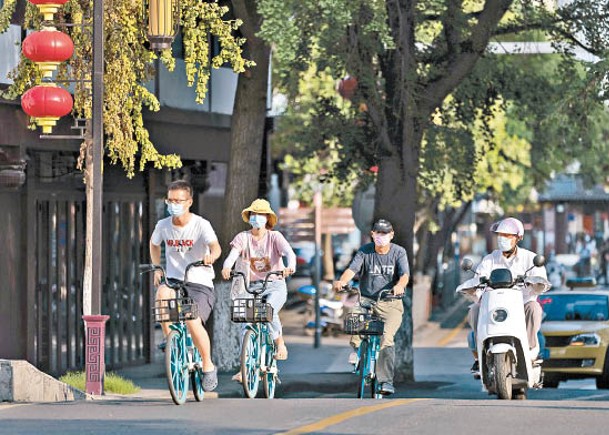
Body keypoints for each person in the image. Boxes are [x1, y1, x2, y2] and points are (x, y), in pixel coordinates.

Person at [150, 179, 221, 392]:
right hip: (174, 280)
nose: (174, 205)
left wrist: (211, 258)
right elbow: (154, 245)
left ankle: (208, 365)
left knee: (191, 319)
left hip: (199, 282)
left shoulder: (201, 224)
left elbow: (215, 248)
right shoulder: (163, 225)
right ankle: (169, 339)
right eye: (170, 200)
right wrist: (157, 267)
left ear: (189, 201)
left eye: (178, 200)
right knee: (162, 293)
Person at [221, 198, 296, 382]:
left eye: (261, 215)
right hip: (251, 286)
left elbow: (289, 253)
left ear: (267, 218)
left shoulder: (275, 237)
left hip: (274, 284)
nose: (257, 218)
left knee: (268, 309)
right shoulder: (243, 237)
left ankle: (280, 344)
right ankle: (244, 368)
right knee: (245, 322)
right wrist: (226, 267)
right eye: (254, 214)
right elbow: (232, 256)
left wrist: (290, 266)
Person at [333, 219, 410, 396]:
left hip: (390, 302)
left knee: (386, 338)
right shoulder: (365, 251)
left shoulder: (399, 252)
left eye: (384, 233)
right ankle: (357, 350)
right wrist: (342, 281)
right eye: (377, 233)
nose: (380, 237)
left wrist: (399, 286)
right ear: (372, 234)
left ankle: (385, 381)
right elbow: (352, 270)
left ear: (391, 235)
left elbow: (405, 275)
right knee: (353, 317)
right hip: (365, 299)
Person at [467, 217, 548, 374]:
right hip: (494, 306)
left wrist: (535, 283)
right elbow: (479, 277)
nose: (502, 239)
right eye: (500, 235)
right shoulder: (489, 259)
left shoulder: (530, 258)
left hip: (521, 305)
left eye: (507, 235)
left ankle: (531, 351)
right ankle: (480, 355)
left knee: (534, 308)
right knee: (474, 310)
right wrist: (476, 289)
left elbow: (540, 280)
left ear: (518, 237)